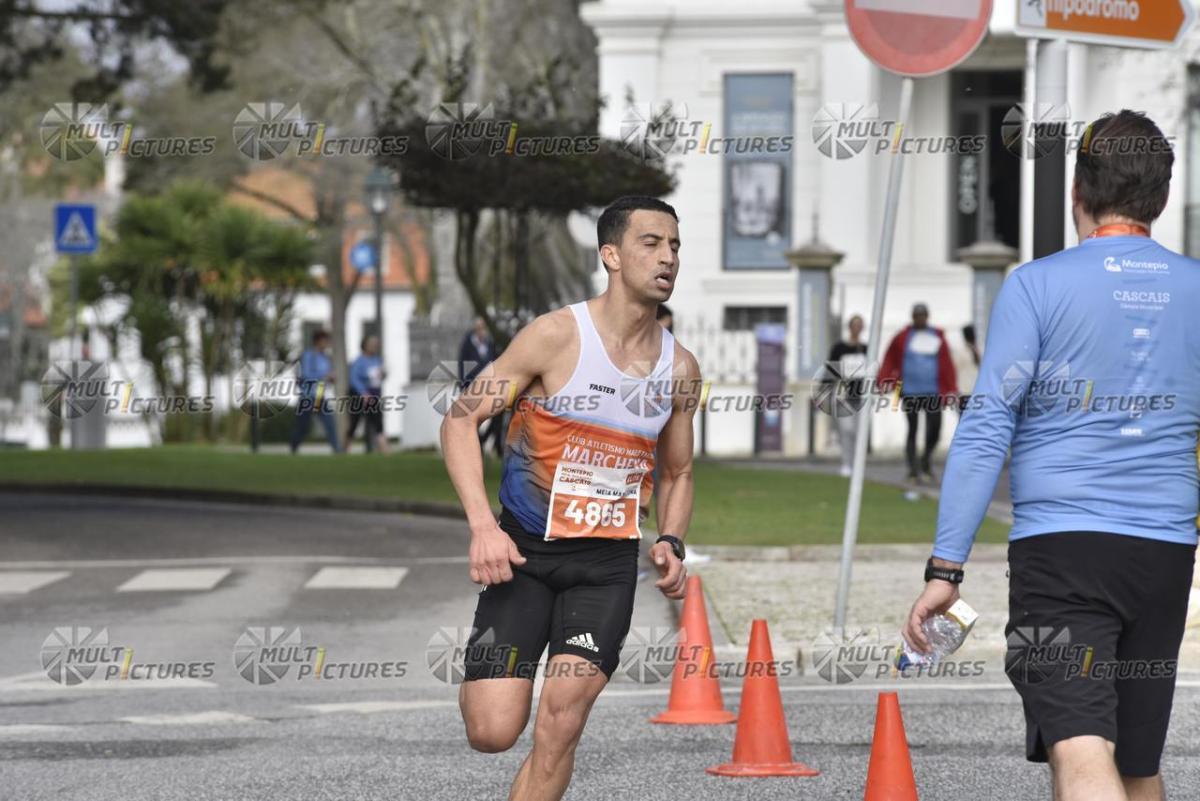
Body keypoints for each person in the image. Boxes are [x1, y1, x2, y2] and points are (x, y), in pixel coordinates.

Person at [903, 110, 1199, 801]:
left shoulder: (1036, 285)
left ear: (1078, 190)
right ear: (1161, 195)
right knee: (1135, 765)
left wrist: (946, 567)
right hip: (1164, 554)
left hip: (1063, 552)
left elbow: (986, 427)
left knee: (1081, 745)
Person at [441, 195, 700, 801]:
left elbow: (678, 471)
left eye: (675, 246)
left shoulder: (680, 368)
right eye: (651, 243)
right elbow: (460, 418)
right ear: (611, 255)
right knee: (492, 730)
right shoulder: (556, 336)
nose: (667, 257)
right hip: (524, 556)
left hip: (605, 568)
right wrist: (482, 527)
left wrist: (671, 538)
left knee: (560, 724)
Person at [879, 303, 958, 483]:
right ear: (913, 317)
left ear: (927, 317)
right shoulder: (902, 337)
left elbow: (946, 364)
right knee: (912, 429)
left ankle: (925, 461)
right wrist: (884, 381)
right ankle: (913, 469)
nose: (920, 319)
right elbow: (890, 359)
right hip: (909, 391)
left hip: (933, 392)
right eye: (917, 315)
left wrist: (951, 389)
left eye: (923, 315)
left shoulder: (937, 336)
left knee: (935, 429)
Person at [822, 314, 869, 477]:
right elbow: (830, 371)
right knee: (846, 430)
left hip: (862, 397)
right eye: (854, 325)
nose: (857, 328)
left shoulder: (866, 349)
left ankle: (858, 464)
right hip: (843, 396)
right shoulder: (839, 348)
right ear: (849, 327)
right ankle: (846, 463)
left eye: (859, 325)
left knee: (859, 433)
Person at [289, 329, 340, 454]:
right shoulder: (308, 355)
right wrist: (325, 376)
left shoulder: (325, 358)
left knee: (330, 422)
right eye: (325, 341)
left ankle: (337, 450)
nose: (327, 344)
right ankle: (293, 448)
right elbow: (306, 375)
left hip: (320, 395)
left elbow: (325, 378)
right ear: (318, 341)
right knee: (303, 426)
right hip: (307, 395)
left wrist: (331, 379)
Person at [459, 317, 504, 458]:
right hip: (472, 388)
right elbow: (462, 365)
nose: (481, 331)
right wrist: (464, 386)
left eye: (483, 327)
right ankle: (477, 446)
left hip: (489, 387)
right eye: (479, 327)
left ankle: (486, 441)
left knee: (498, 415)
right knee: (472, 420)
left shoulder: (489, 344)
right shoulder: (468, 344)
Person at [347, 334, 387, 454]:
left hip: (374, 394)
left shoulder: (378, 360)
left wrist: (383, 375)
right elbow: (353, 379)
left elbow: (378, 377)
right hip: (359, 395)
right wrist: (363, 393)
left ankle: (384, 448)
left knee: (378, 421)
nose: (374, 346)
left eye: (376, 344)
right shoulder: (358, 361)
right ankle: (346, 448)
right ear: (365, 345)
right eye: (371, 344)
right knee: (355, 422)